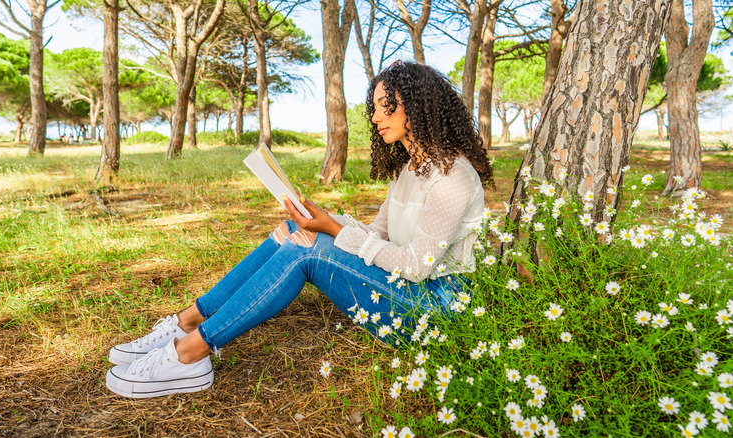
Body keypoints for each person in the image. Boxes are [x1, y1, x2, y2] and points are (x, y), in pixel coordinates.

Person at [105, 61, 494, 399]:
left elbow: (417, 266)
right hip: (409, 289)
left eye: (385, 107)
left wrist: (333, 231)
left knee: (307, 251)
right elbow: (380, 233)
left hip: (436, 309)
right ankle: (187, 321)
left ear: (420, 106)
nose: (375, 118)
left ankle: (189, 354)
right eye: (374, 108)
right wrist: (318, 217)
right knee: (295, 230)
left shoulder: (453, 176)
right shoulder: (409, 168)